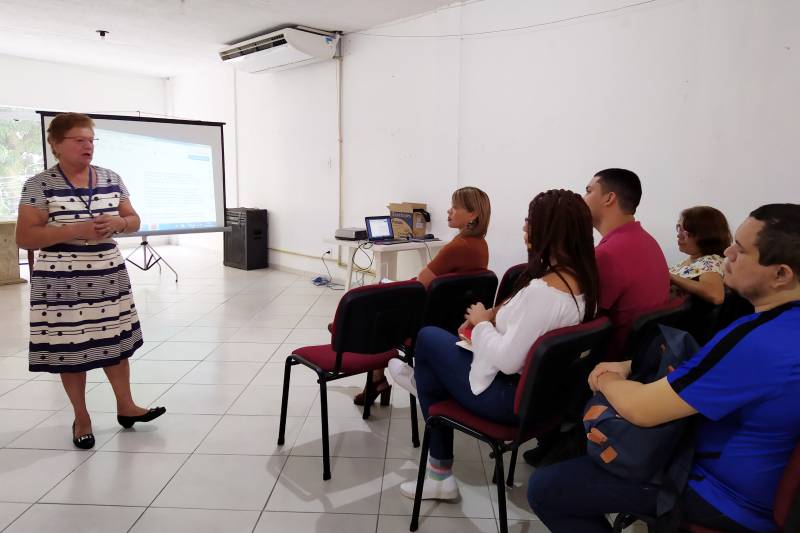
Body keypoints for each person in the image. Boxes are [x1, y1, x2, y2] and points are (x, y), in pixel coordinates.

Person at [527, 204, 800, 533]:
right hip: (756, 480)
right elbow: (710, 370)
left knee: (548, 488)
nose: (727, 251)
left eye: (740, 249)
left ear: (781, 274)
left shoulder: (761, 341)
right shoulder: (780, 327)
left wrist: (607, 377)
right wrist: (633, 366)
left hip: (720, 494)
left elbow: (643, 409)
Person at [388, 189, 599, 501]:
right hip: (545, 402)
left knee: (429, 338)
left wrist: (481, 321)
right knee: (437, 353)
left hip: (506, 399)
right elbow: (529, 328)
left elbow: (508, 360)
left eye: (530, 222)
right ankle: (428, 387)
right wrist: (491, 319)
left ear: (551, 231)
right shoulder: (583, 285)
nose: (525, 228)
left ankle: (439, 471)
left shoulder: (543, 292)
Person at [15, 112, 165, 450]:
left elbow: (134, 219)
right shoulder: (39, 185)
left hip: (107, 276)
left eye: (91, 140)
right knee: (72, 350)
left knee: (116, 343)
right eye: (79, 140)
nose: (88, 146)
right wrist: (75, 229)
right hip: (61, 283)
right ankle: (81, 417)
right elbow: (25, 236)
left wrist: (119, 223)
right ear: (56, 144)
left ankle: (126, 406)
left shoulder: (111, 177)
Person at [354, 186, 491, 406]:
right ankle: (376, 379)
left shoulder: (456, 247)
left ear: (473, 214)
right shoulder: (481, 246)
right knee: (382, 299)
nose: (449, 211)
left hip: (425, 321)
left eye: (455, 207)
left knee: (377, 307)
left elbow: (421, 283)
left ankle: (376, 380)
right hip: (451, 320)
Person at [582, 168, 670, 360]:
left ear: (609, 198)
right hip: (643, 358)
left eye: (589, 191)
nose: (583, 198)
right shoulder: (648, 241)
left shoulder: (607, 254)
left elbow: (581, 321)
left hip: (607, 366)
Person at [669, 206, 731, 305]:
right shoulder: (691, 260)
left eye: (685, 231)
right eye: (679, 228)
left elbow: (716, 296)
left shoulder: (710, 261)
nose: (679, 235)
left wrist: (670, 277)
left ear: (705, 235)